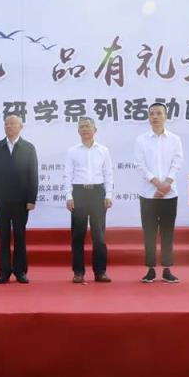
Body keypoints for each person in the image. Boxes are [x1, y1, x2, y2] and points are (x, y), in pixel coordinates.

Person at [0, 114, 38, 284]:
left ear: (21, 126)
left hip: (21, 201)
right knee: (4, 236)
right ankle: (4, 272)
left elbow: (33, 175)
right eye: (6, 124)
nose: (9, 126)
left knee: (20, 236)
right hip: (1, 201)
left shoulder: (28, 148)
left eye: (13, 123)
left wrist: (31, 199)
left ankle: (20, 271)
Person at [134, 103, 184, 284]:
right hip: (148, 194)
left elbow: (177, 162)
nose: (155, 117)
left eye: (159, 113)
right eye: (152, 114)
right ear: (148, 117)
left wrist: (166, 184)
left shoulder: (174, 139)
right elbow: (140, 165)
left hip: (169, 194)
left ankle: (167, 269)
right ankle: (150, 269)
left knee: (167, 232)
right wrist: (157, 184)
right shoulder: (141, 140)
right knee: (149, 233)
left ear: (165, 116)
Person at [63, 117, 114, 283]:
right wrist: (69, 196)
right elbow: (67, 175)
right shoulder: (72, 151)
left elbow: (108, 173)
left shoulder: (103, 150)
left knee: (99, 236)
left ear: (95, 130)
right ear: (78, 131)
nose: (85, 129)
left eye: (88, 126)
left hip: (98, 193)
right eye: (82, 127)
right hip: (79, 193)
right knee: (78, 235)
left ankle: (100, 272)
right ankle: (78, 272)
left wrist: (108, 194)